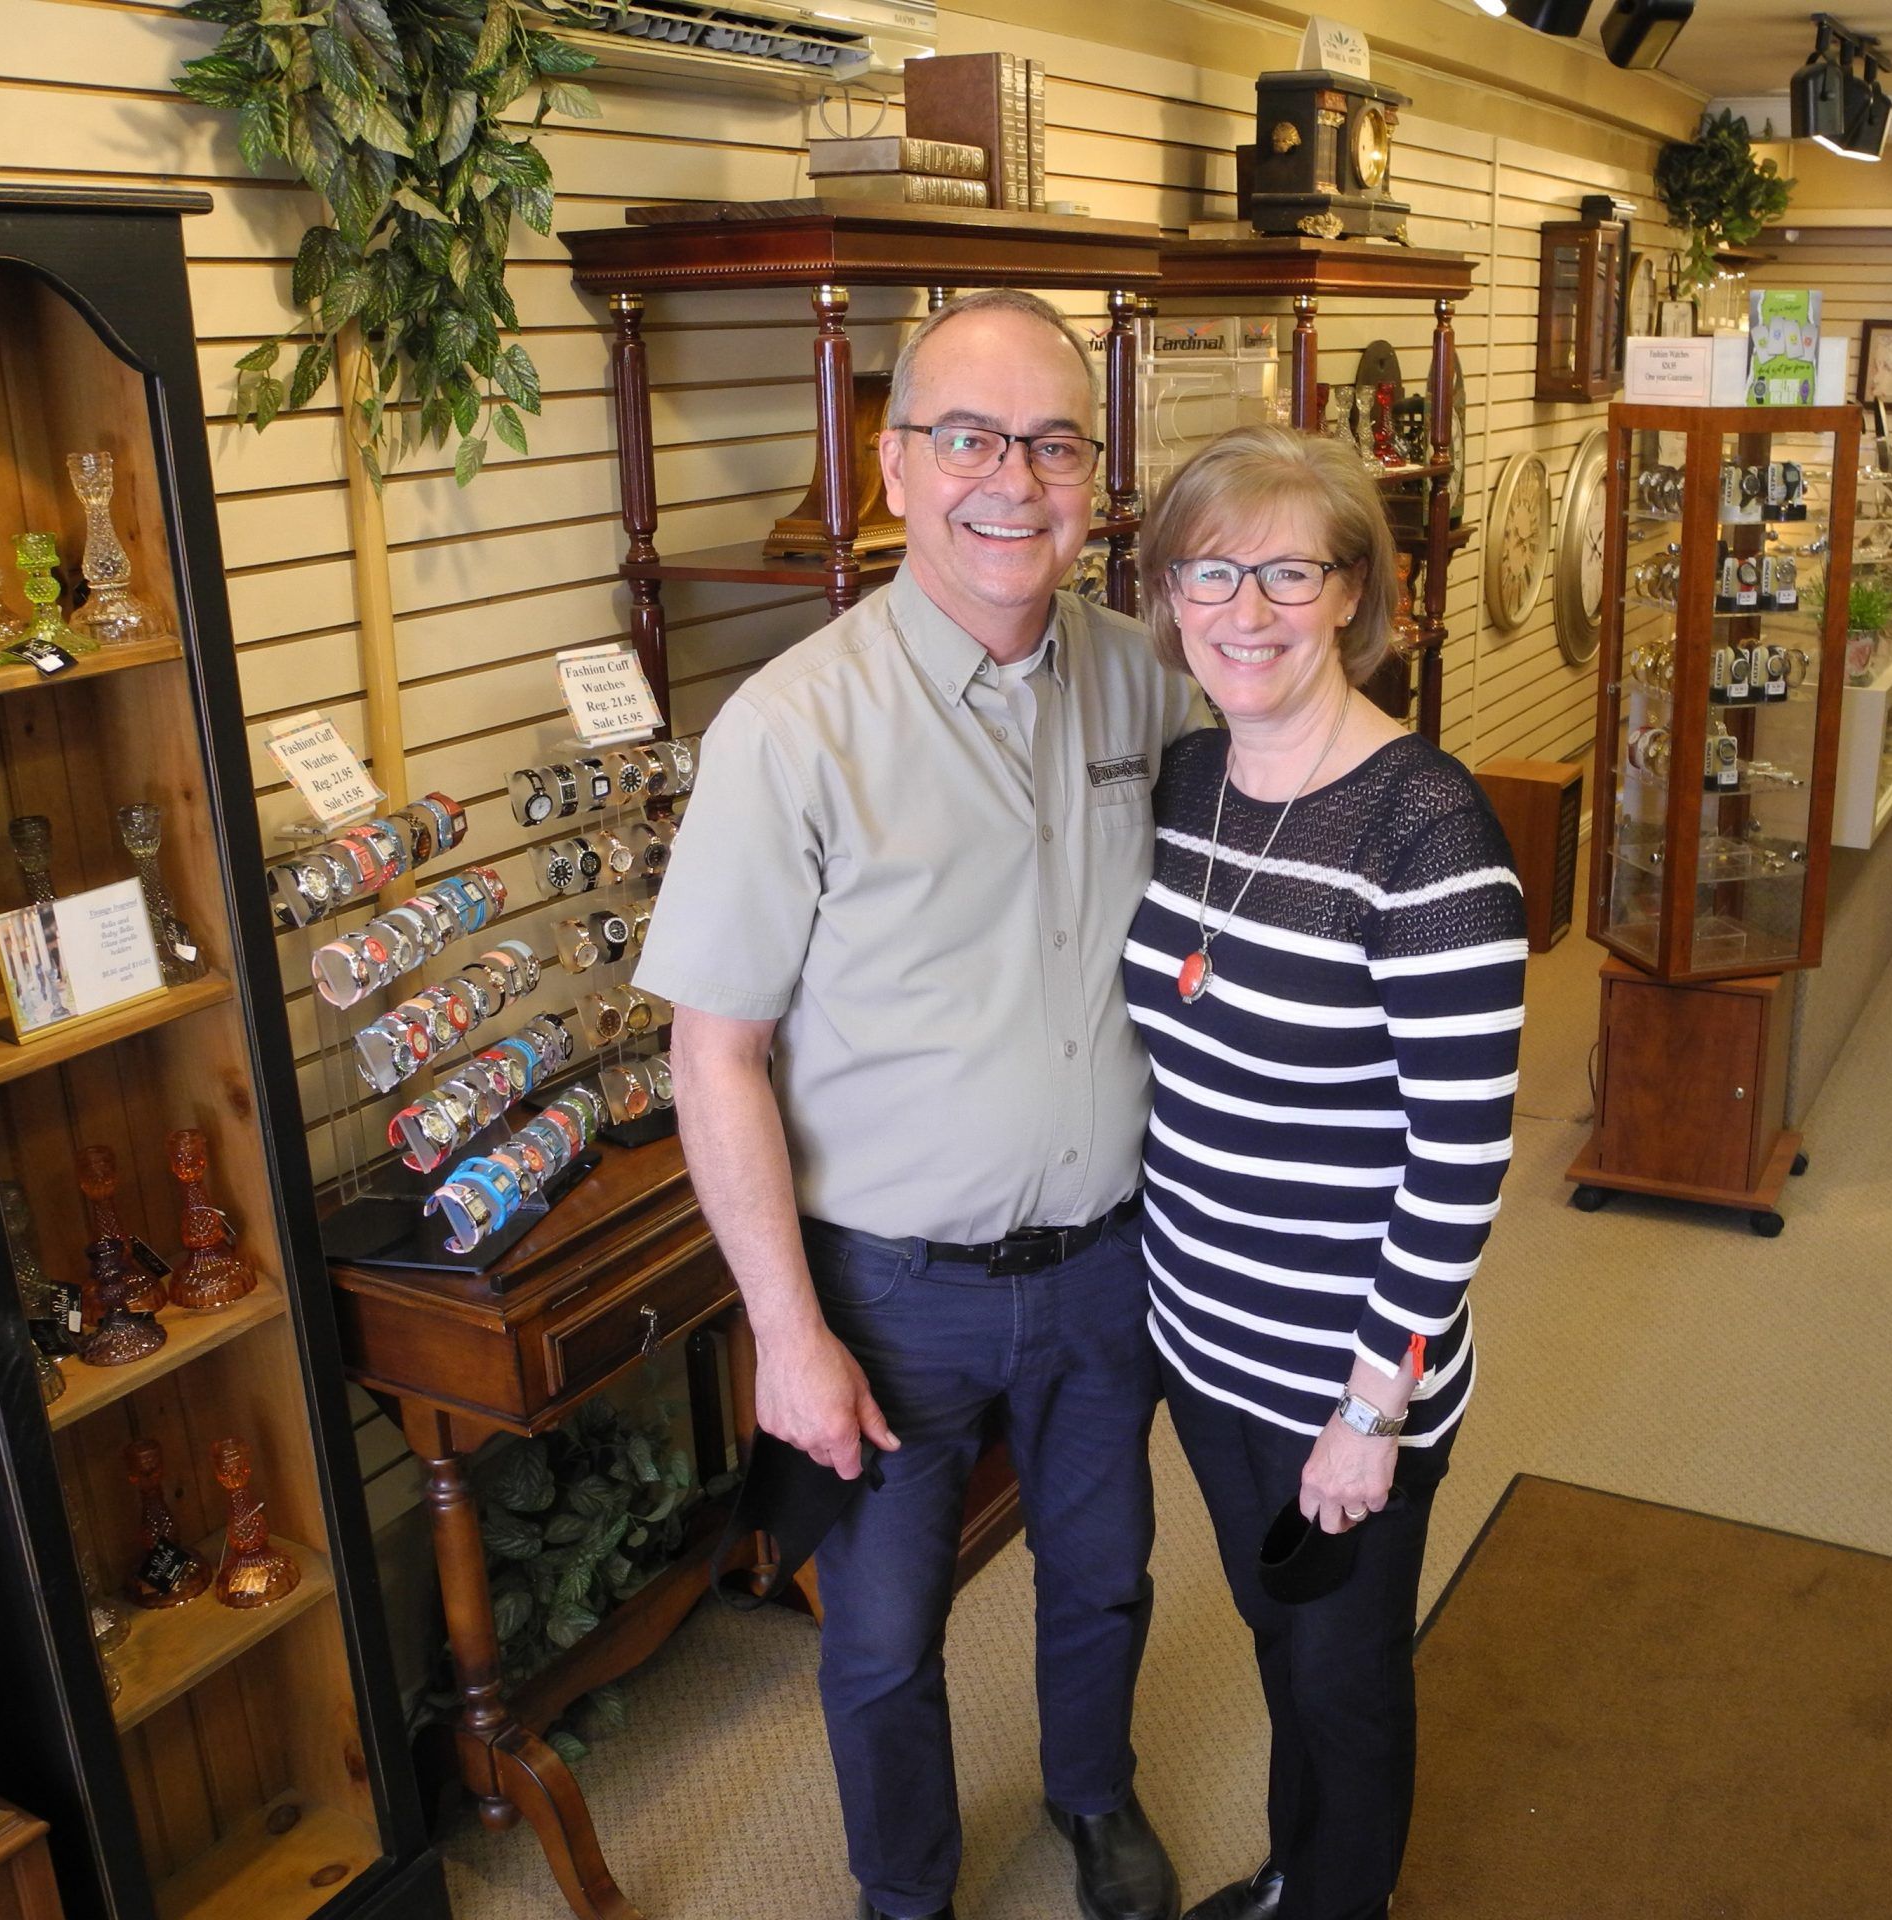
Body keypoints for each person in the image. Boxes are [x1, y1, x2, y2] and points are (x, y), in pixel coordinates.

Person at [635, 287, 1196, 1920]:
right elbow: (712, 1055)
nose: (1012, 480)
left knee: (1103, 1582)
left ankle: (1095, 1800)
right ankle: (905, 1896)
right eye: (970, 438)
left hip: (1112, 1265)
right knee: (882, 1643)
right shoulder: (791, 730)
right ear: (893, 469)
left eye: (1053, 442)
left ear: (1096, 475)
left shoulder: (1147, 685)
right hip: (886, 1298)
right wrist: (786, 1331)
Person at [1120, 426, 1527, 1920]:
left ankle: (1333, 1895)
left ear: (1356, 592)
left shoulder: (1427, 835)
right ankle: (1298, 1880)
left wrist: (1371, 1409)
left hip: (1346, 1382)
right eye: (1211, 571)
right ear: (1170, 593)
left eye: (1290, 571)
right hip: (1202, 1343)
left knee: (1346, 1692)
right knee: (1282, 1645)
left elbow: (1460, 1161)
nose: (1246, 609)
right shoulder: (1186, 785)